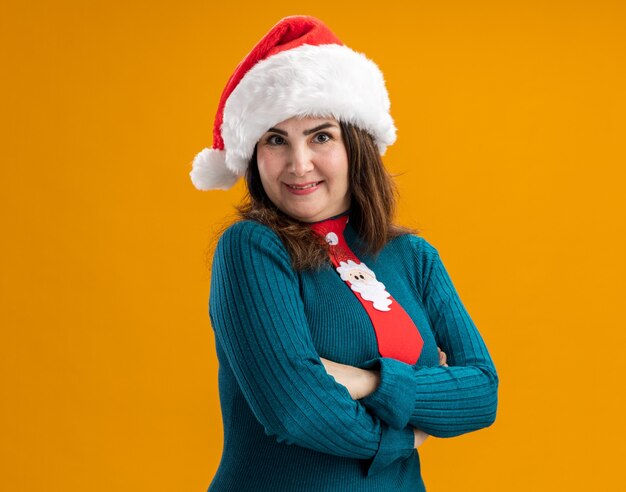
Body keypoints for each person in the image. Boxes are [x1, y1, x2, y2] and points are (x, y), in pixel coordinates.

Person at [189, 15, 498, 492]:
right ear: (254, 153)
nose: (298, 164)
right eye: (275, 139)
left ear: (356, 145)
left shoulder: (413, 257)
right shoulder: (251, 249)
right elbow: (298, 410)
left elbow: (481, 393)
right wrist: (409, 432)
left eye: (321, 136)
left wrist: (365, 381)